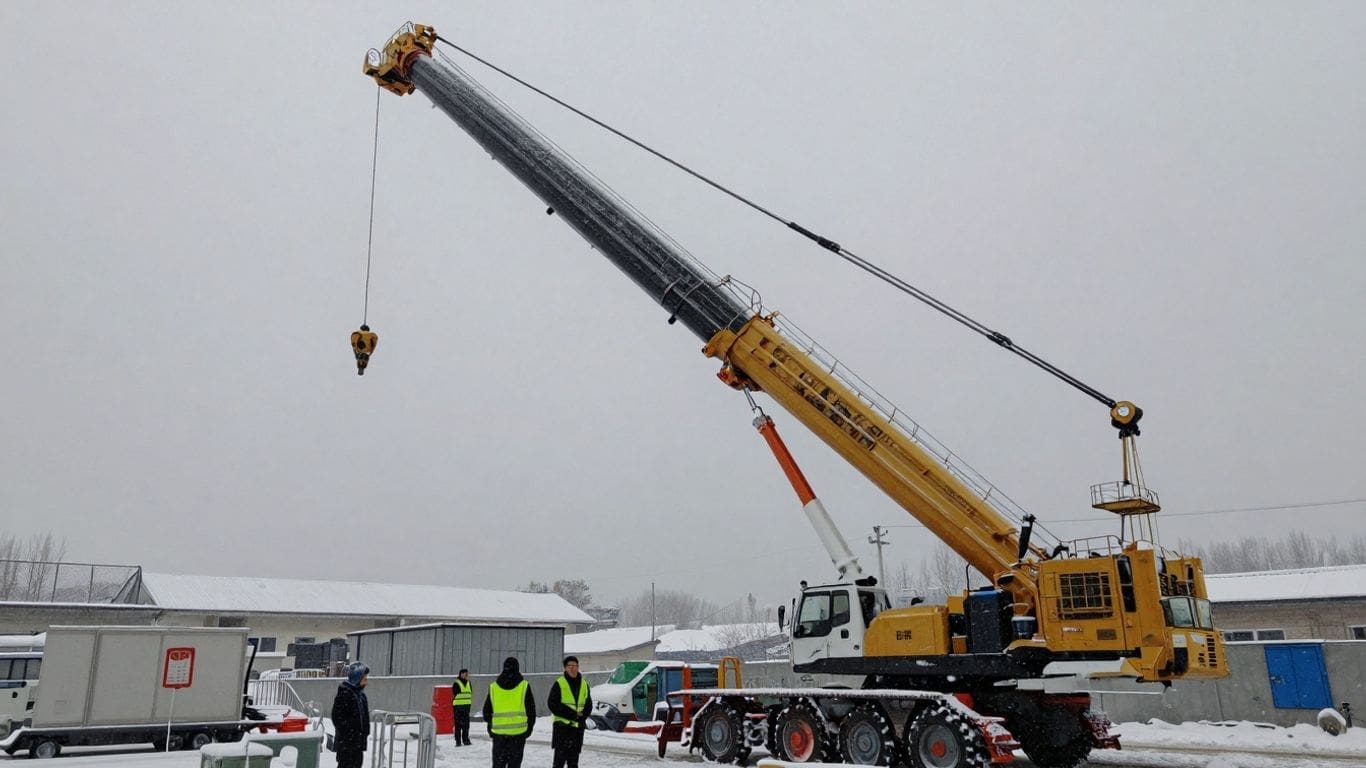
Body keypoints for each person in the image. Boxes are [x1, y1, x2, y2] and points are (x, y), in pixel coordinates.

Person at [483, 656, 536, 768]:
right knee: (514, 765)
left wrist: (491, 726)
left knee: (498, 765)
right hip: (518, 735)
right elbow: (531, 710)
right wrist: (529, 728)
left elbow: (486, 712)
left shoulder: (494, 687)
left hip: (499, 736)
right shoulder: (524, 686)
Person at [547, 656, 592, 768]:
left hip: (577, 730)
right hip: (562, 728)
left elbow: (588, 704)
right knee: (559, 762)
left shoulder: (584, 684)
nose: (573, 669)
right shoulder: (560, 683)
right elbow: (552, 704)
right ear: (565, 668)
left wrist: (582, 716)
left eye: (575, 666)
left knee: (573, 763)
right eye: (570, 666)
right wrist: (573, 715)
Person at [331, 662, 371, 768]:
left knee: (357, 763)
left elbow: (364, 717)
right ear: (357, 678)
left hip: (358, 743)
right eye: (364, 677)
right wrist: (349, 733)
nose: (366, 680)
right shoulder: (345, 694)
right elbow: (337, 718)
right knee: (346, 764)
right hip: (347, 744)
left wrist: (364, 733)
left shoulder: (361, 696)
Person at [451, 668, 474, 746]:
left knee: (466, 725)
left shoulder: (468, 683)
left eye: (466, 673)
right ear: (460, 674)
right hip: (458, 707)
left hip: (466, 707)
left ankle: (466, 740)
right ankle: (458, 741)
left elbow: (470, 694)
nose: (465, 675)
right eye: (464, 673)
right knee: (458, 725)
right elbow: (454, 693)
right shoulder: (456, 683)